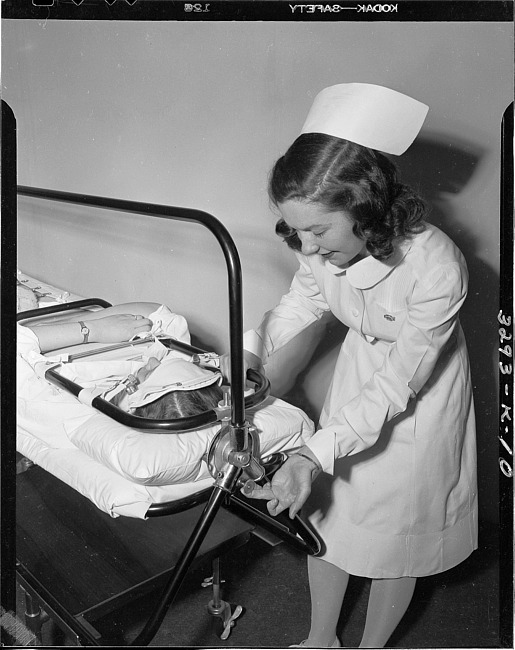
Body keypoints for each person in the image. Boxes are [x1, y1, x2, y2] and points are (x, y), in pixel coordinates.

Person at [229, 84, 478, 648]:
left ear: (365, 210)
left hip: (421, 391)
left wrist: (315, 452)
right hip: (361, 371)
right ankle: (321, 639)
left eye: (319, 230)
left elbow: (400, 383)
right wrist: (251, 351)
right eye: (298, 232)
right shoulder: (317, 248)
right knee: (334, 518)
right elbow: (304, 300)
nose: (309, 248)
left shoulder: (436, 267)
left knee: (398, 534)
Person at [23, 302, 224, 419]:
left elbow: (13, 338)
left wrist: (94, 329)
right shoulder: (175, 379)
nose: (154, 361)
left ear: (133, 401)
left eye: (154, 371)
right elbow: (157, 312)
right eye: (165, 364)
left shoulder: (64, 400)